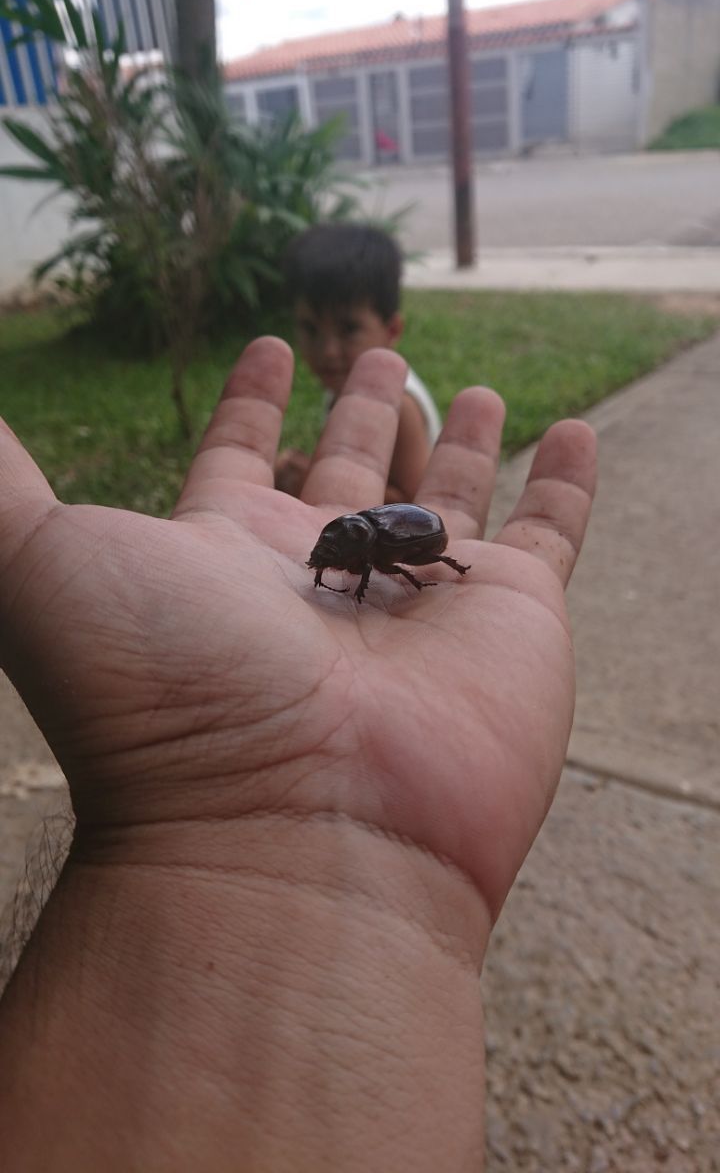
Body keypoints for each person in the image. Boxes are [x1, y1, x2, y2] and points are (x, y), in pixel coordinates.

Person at [0, 338, 596, 1170]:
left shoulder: (375, 549)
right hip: (412, 537)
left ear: (350, 553)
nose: (327, 564)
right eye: (331, 555)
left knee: (411, 562)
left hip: (422, 538)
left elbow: (399, 556)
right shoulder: (352, 546)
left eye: (332, 556)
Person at [276, 221, 441, 502]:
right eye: (310, 329)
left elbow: (417, 507)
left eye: (349, 329)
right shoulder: (346, 384)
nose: (328, 351)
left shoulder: (399, 408)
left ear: (392, 330)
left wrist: (310, 478)